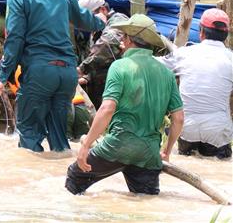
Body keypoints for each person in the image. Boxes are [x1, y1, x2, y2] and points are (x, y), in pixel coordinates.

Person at [0, 0, 105, 152]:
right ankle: (60, 176)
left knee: (29, 137)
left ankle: (31, 181)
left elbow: (14, 40)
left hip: (40, 72)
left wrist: (2, 78)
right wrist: (101, 22)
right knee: (59, 137)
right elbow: (86, 20)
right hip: (67, 73)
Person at [65, 14, 184, 196]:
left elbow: (107, 109)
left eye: (124, 36)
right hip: (149, 154)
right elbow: (178, 118)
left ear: (129, 40)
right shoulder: (167, 74)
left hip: (117, 146)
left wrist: (86, 144)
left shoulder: (119, 66)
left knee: (74, 180)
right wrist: (166, 152)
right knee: (145, 201)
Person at [157, 8, 232, 160]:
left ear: (201, 32)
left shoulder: (184, 54)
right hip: (218, 131)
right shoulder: (231, 58)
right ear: (225, 35)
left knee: (186, 162)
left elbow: (155, 65)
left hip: (185, 129)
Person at [76, 0, 129, 109]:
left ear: (103, 10)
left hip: (118, 89)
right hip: (99, 87)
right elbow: (98, 61)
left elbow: (108, 44)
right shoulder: (96, 30)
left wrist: (82, 69)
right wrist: (86, 77)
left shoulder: (119, 21)